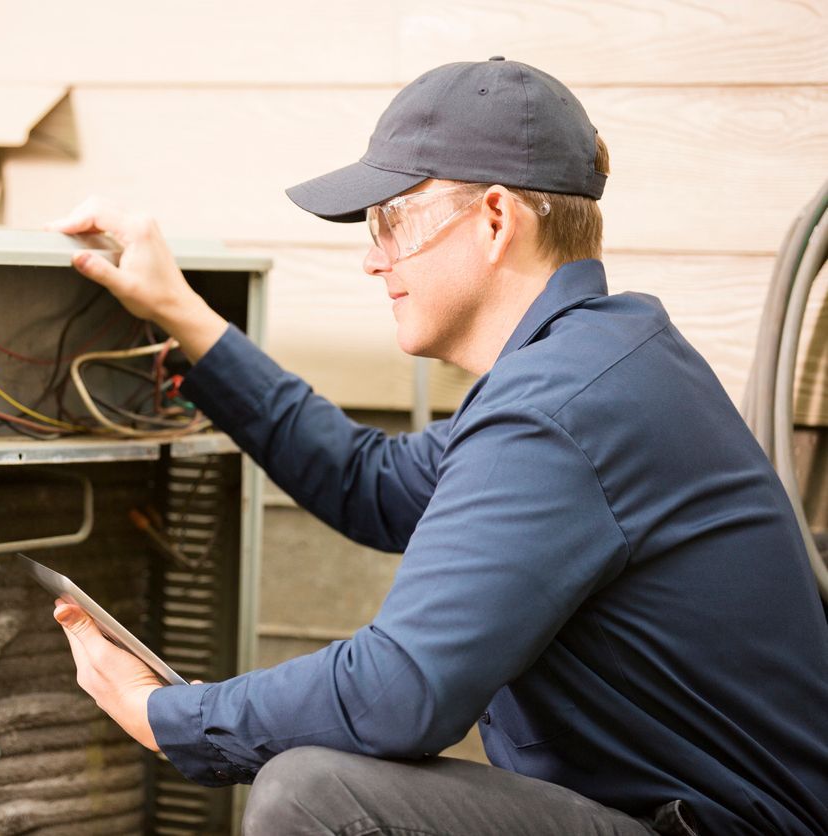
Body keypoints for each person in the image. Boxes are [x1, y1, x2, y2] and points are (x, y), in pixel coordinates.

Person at [44, 58, 828, 835]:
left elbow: (399, 691)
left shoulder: (561, 407)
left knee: (313, 794)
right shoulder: (593, 368)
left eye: (392, 219)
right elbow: (370, 481)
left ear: (495, 219)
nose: (371, 255)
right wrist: (184, 313)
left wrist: (169, 715)